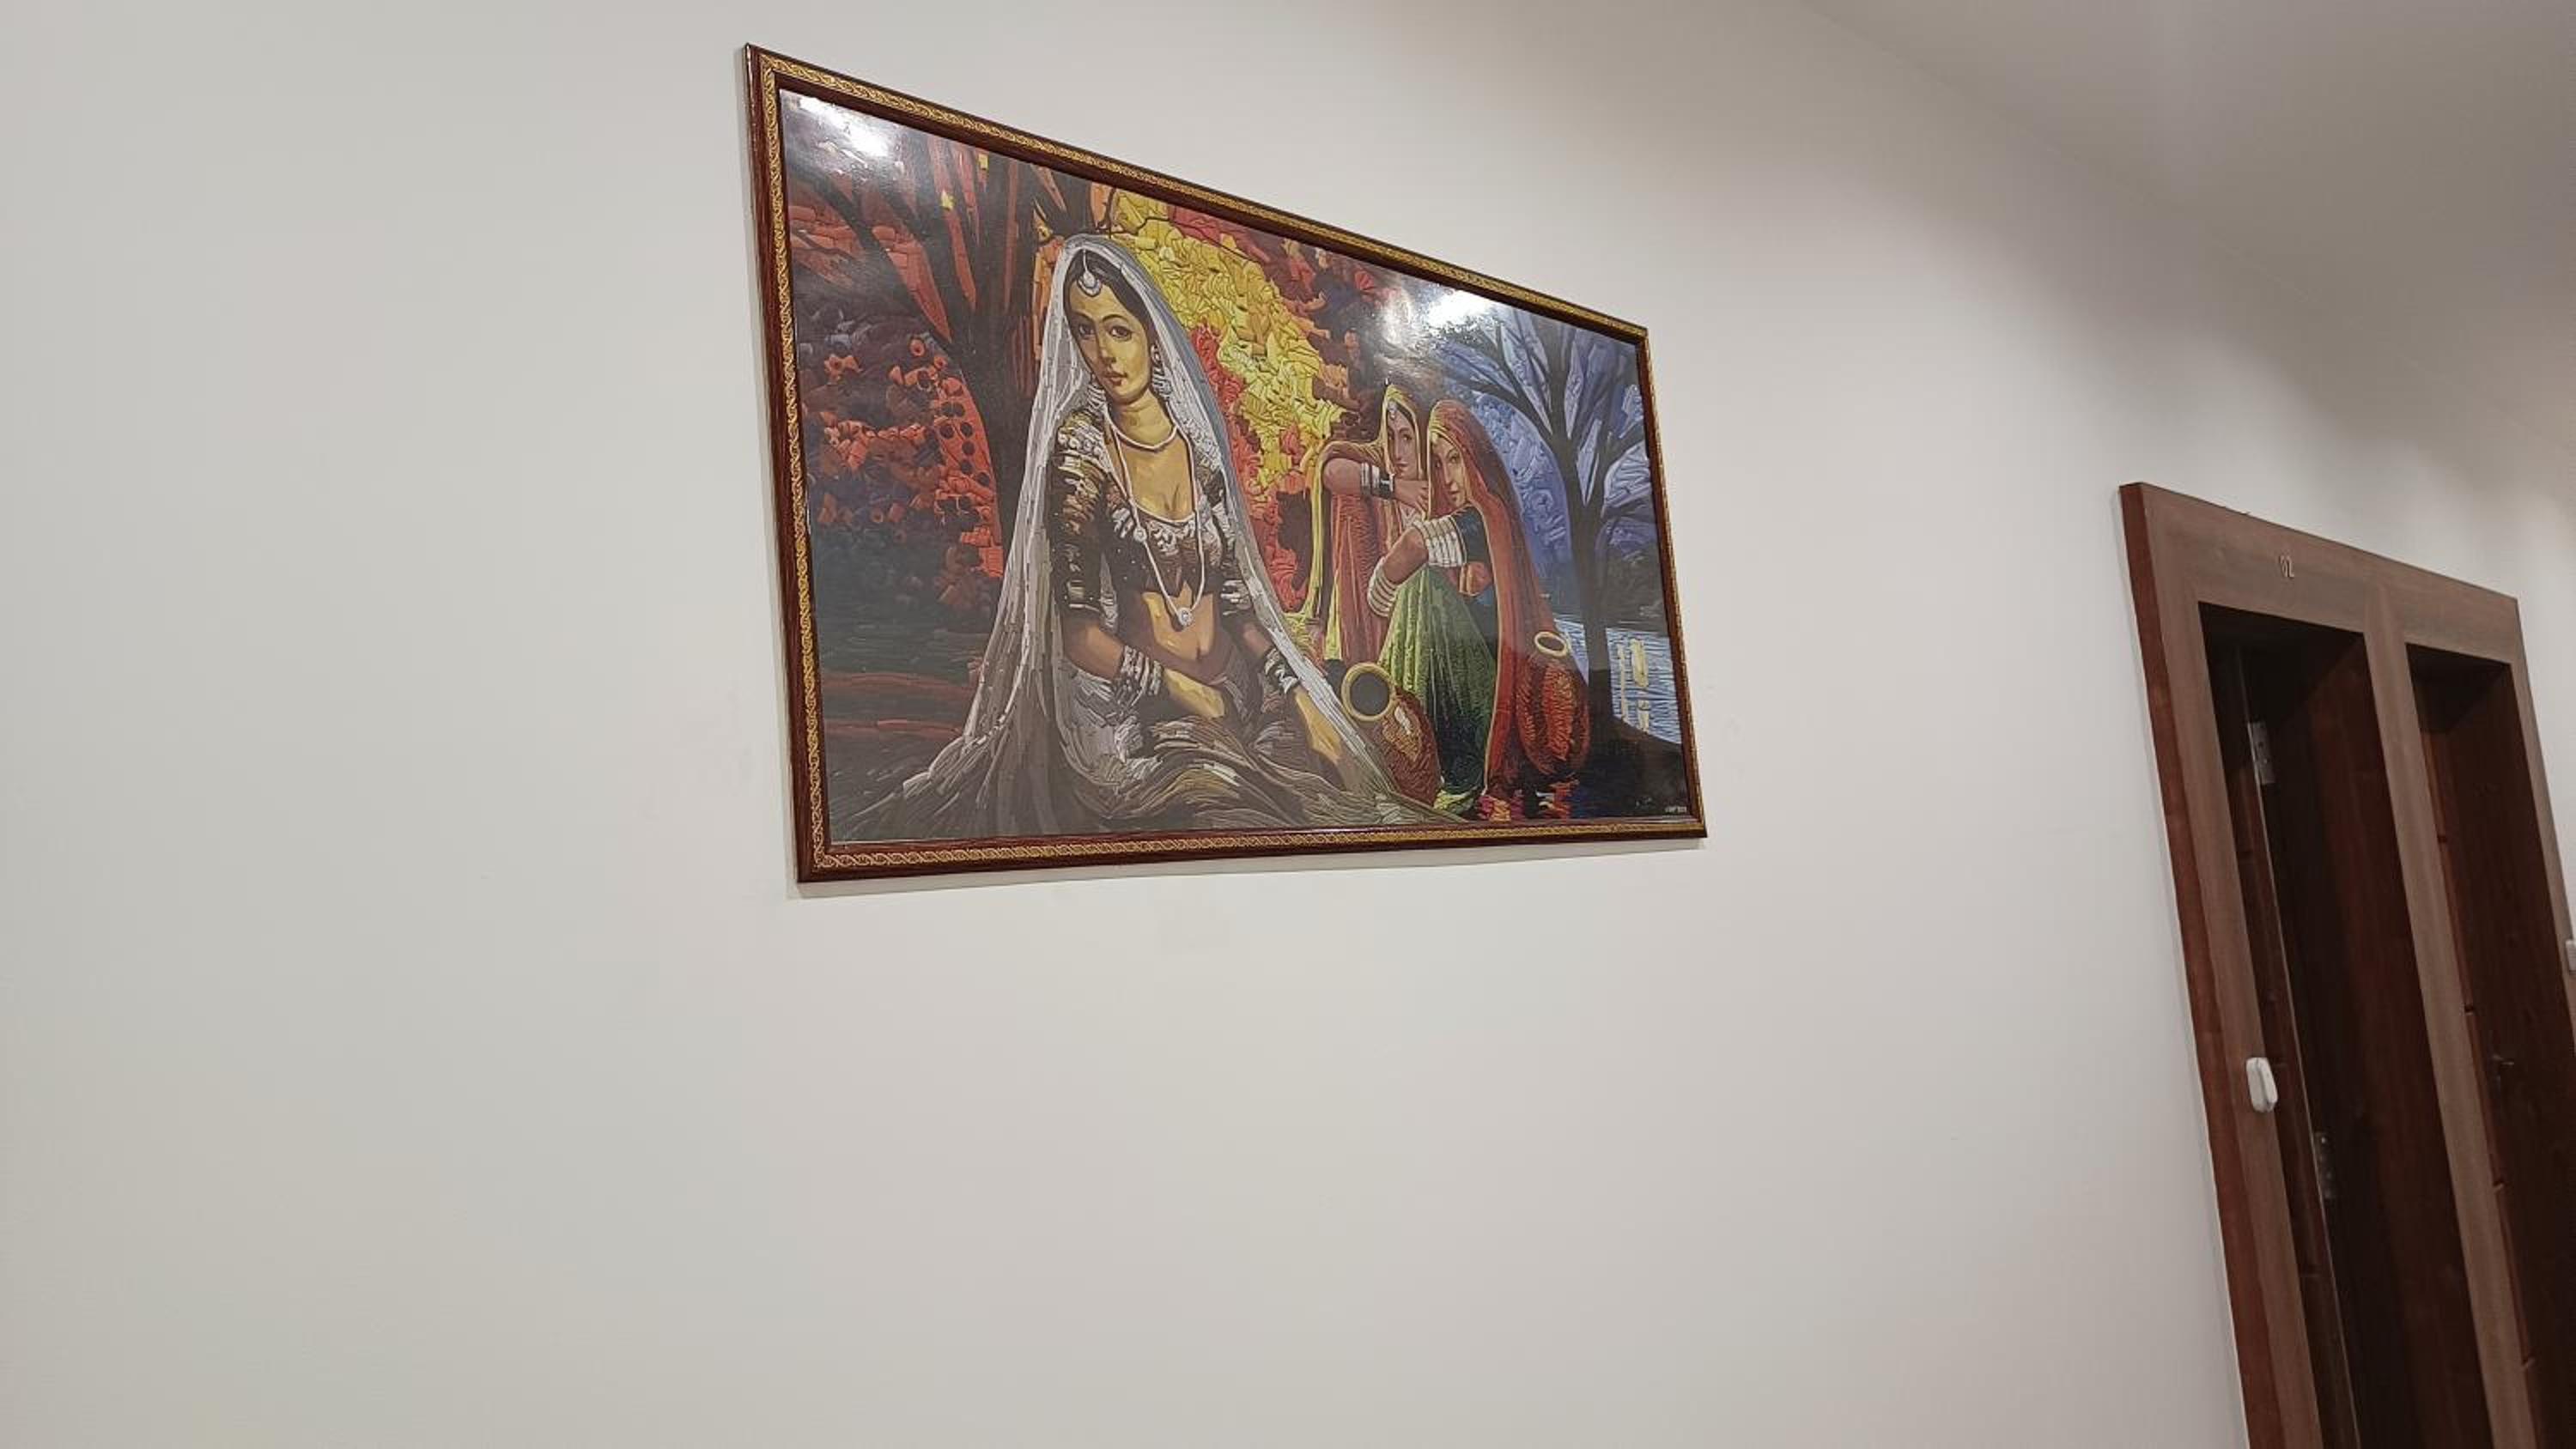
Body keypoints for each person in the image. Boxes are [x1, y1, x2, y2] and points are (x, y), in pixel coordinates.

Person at [854, 238, 1439, 840]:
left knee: (1353, 808)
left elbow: (1238, 604)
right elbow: (1079, 635)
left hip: (1237, 695)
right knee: (1234, 809)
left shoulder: (1197, 446)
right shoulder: (1082, 448)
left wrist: (1299, 700)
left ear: (1151, 335)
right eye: (1085, 332)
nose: (1104, 354)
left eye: (1119, 330)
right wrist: (1178, 688)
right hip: (1142, 719)